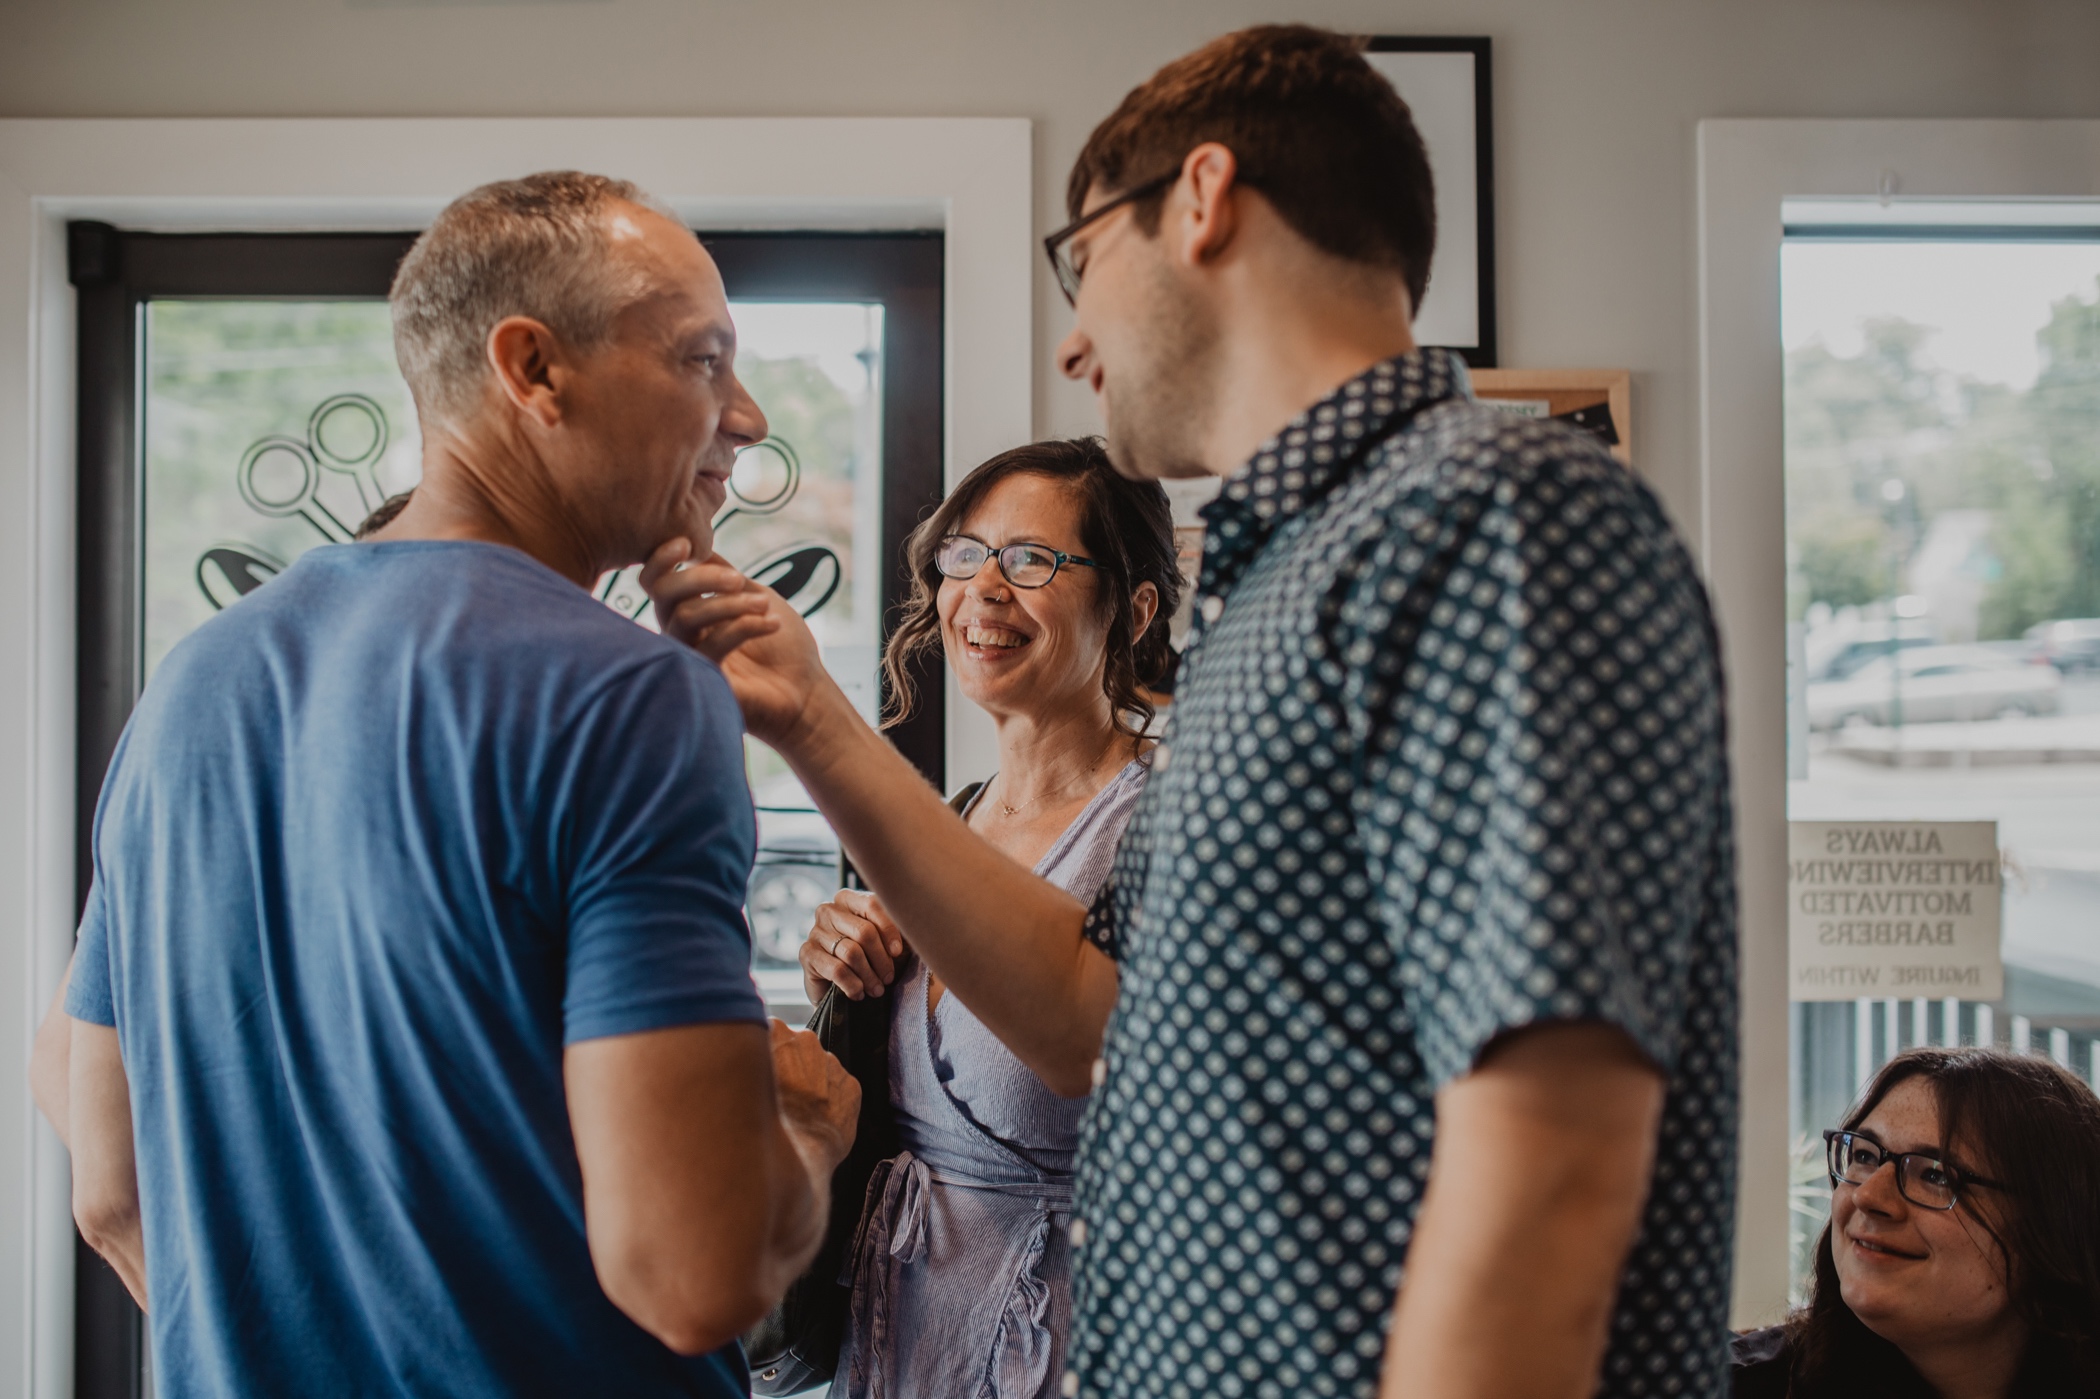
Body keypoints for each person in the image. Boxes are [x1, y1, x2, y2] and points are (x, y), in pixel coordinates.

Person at [646, 24, 1737, 1399]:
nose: (1073, 335)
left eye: (1082, 258)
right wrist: (810, 714)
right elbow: (1102, 1023)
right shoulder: (1291, 579)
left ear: (1204, 199)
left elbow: (1555, 1140)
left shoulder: (1486, 513)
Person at [27, 171, 859, 1398]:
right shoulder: (630, 696)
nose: (744, 416)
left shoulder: (192, 685)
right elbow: (697, 1272)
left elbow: (105, 1179)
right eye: (701, 359)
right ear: (534, 370)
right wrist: (806, 1129)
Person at [801, 438, 1180, 1399]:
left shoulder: (1172, 821)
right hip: (895, 1330)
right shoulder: (949, 819)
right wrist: (840, 982)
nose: (985, 588)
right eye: (966, 555)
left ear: (1132, 609)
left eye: (1033, 560)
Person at [1734, 1047, 2100, 1398]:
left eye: (1936, 1176)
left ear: (2053, 1228)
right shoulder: (1732, 1384)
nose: (1867, 1196)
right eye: (1864, 1155)